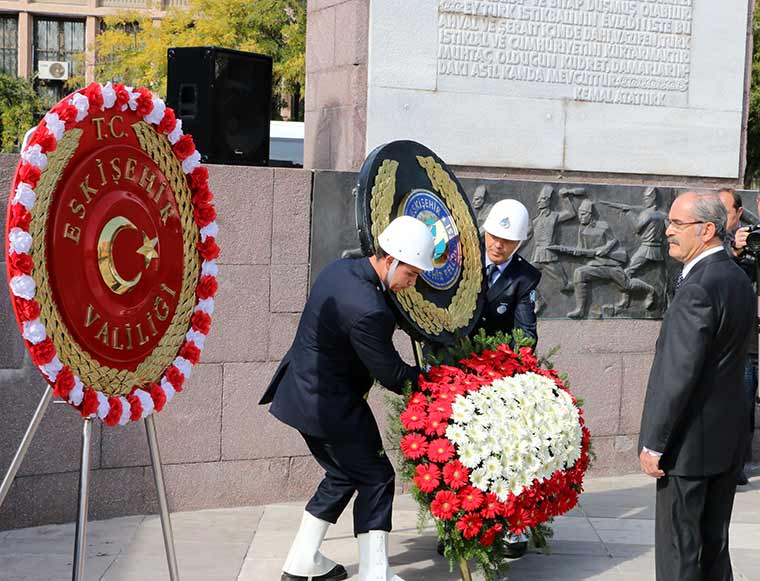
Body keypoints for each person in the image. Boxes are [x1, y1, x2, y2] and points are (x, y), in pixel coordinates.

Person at [259, 215, 435, 581]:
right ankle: (375, 573)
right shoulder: (368, 309)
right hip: (329, 406)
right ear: (391, 261)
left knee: (342, 474)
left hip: (303, 393)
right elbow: (392, 375)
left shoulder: (342, 269)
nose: (412, 284)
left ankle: (302, 560)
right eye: (412, 275)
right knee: (376, 476)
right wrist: (434, 381)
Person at [638, 191, 754, 581]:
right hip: (727, 440)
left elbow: (678, 374)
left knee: (680, 555)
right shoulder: (737, 278)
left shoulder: (700, 288)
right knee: (713, 550)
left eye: (677, 223)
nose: (668, 231)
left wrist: (654, 443)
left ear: (707, 230)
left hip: (687, 449)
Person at [719, 188, 758, 486]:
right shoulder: (731, 241)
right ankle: (734, 463)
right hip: (743, 340)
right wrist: (736, 251)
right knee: (740, 403)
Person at [475, 198, 541, 345]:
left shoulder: (525, 277)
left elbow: (526, 333)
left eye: (507, 240)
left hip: (493, 356)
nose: (498, 245)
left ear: (519, 242)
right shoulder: (465, 256)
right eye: (493, 236)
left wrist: (505, 361)